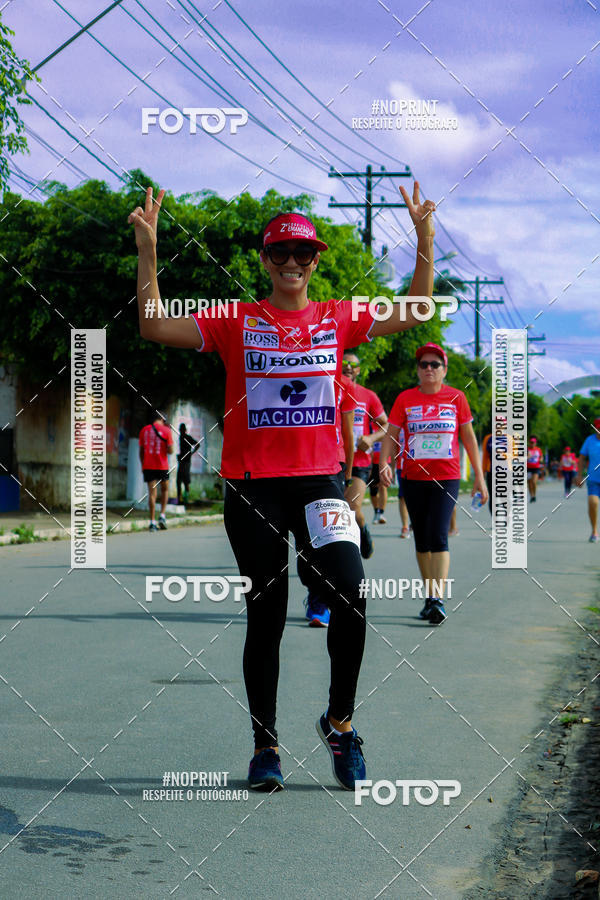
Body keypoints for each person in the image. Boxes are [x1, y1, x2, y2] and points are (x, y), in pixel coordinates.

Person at [129, 181, 436, 792]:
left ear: (315, 260)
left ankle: (340, 724)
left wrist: (424, 240)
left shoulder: (336, 316)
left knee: (351, 592)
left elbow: (416, 311)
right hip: (253, 489)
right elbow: (153, 326)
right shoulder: (235, 320)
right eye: (280, 252)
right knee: (265, 617)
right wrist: (149, 251)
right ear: (265, 260)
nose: (292, 262)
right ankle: (265, 746)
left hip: (320, 484)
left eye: (303, 252)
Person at [379, 343, 487, 624]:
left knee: (439, 535)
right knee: (422, 539)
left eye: (434, 364)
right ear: (417, 370)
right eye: (423, 364)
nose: (429, 368)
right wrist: (384, 464)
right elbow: (391, 434)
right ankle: (430, 597)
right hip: (413, 477)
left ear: (444, 369)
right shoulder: (405, 399)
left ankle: (438, 598)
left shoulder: (456, 398)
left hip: (446, 478)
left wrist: (479, 476)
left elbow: (469, 438)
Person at [302, 370, 356, 627]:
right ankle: (316, 595)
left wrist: (348, 472)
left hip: (332, 467)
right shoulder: (299, 372)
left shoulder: (345, 386)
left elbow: (348, 432)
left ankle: (326, 598)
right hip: (297, 466)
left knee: (329, 536)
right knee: (306, 539)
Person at [342, 352, 388, 556]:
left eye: (353, 365)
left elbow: (386, 425)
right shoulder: (328, 390)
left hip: (359, 462)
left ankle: (362, 530)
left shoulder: (368, 395)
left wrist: (370, 438)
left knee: (352, 507)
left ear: (359, 370)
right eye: (344, 363)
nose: (348, 367)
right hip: (333, 461)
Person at [139, 414, 174, 531]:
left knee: (152, 494)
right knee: (165, 490)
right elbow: (171, 451)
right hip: (162, 466)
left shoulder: (144, 430)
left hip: (148, 466)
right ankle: (162, 516)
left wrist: (143, 465)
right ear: (162, 419)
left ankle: (152, 522)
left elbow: (141, 451)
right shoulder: (167, 430)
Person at [576, 418, 600, 542]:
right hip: (594, 479)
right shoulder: (590, 440)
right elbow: (582, 458)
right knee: (593, 502)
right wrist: (579, 476)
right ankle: (594, 531)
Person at [176, 423, 200, 505]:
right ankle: (179, 499)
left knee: (186, 481)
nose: (181, 431)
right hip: (181, 461)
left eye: (182, 430)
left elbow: (198, 444)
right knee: (178, 481)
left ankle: (186, 498)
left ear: (184, 430)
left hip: (186, 462)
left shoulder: (188, 437)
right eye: (180, 430)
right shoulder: (180, 437)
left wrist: (192, 453)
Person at [527, 436, 543, 502]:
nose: (532, 444)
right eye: (531, 442)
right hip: (528, 468)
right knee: (529, 483)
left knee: (534, 482)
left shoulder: (538, 449)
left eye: (533, 442)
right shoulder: (527, 449)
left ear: (535, 443)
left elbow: (541, 456)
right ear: (529, 443)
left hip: (536, 468)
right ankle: (532, 496)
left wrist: (541, 459)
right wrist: (527, 457)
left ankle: (534, 495)